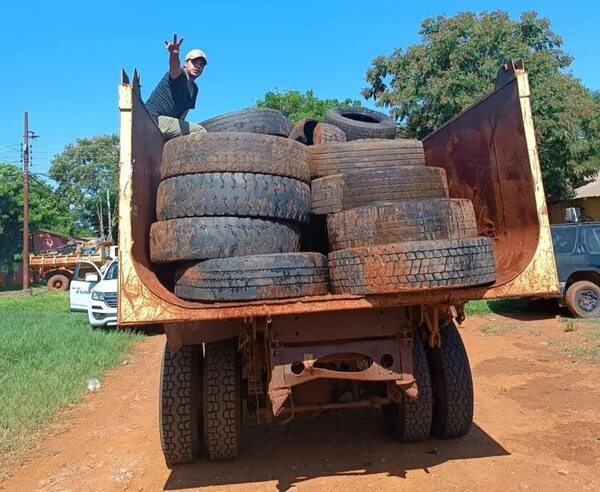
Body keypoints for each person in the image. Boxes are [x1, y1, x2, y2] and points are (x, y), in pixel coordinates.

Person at [145, 33, 208, 140]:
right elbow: (174, 65)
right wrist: (174, 54)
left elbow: (182, 118)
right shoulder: (179, 75)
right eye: (194, 62)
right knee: (200, 131)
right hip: (153, 118)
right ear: (185, 63)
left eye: (201, 64)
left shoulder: (195, 90)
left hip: (166, 123)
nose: (198, 66)